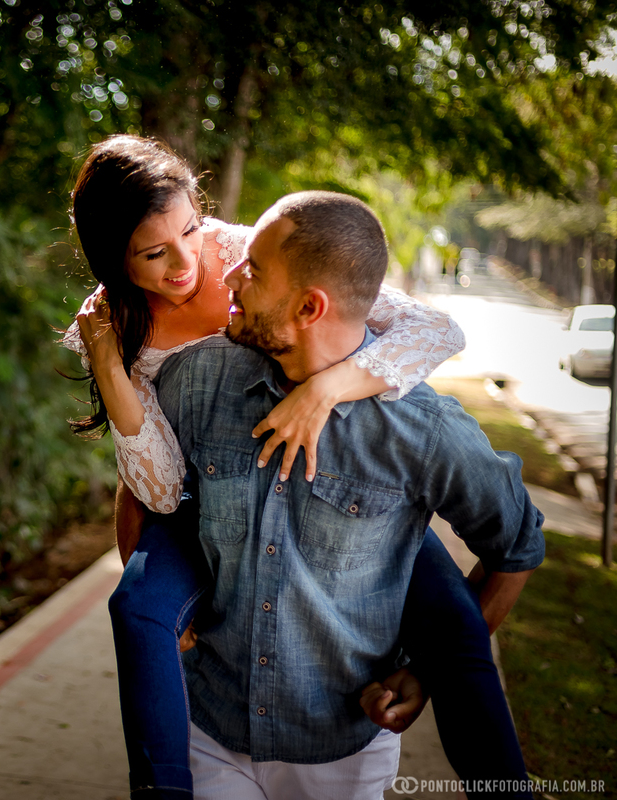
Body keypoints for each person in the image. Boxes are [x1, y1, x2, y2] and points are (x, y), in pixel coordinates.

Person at [62, 136, 530, 800]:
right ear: (115, 260)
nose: (191, 263)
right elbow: (154, 482)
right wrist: (109, 363)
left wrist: (326, 389)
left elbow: (424, 329)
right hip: (205, 493)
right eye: (153, 253)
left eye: (190, 231)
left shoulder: (245, 253)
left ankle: (508, 788)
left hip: (330, 480)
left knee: (450, 621)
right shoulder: (119, 329)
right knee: (137, 606)